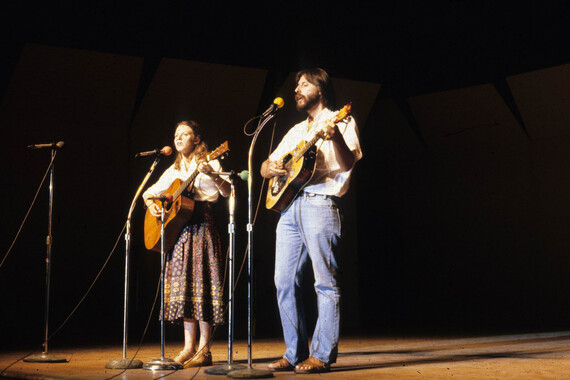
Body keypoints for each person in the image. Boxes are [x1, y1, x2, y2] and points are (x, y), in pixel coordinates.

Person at [260, 68, 362, 374]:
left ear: (320, 90)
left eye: (304, 85)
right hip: (289, 207)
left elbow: (348, 163)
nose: (297, 90)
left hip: (320, 203)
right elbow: (266, 166)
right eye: (296, 85)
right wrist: (271, 169)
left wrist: (336, 138)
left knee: (325, 283)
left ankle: (321, 354)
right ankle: (294, 352)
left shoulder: (340, 120)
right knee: (283, 281)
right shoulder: (295, 131)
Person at [142, 120, 230, 368]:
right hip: (180, 233)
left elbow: (227, 191)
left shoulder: (211, 161)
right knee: (185, 290)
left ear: (197, 139)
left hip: (203, 227)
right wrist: (155, 207)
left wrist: (212, 174)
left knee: (202, 286)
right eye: (176, 134)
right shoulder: (173, 171)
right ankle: (188, 347)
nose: (178, 138)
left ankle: (204, 349)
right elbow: (148, 193)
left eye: (185, 134)